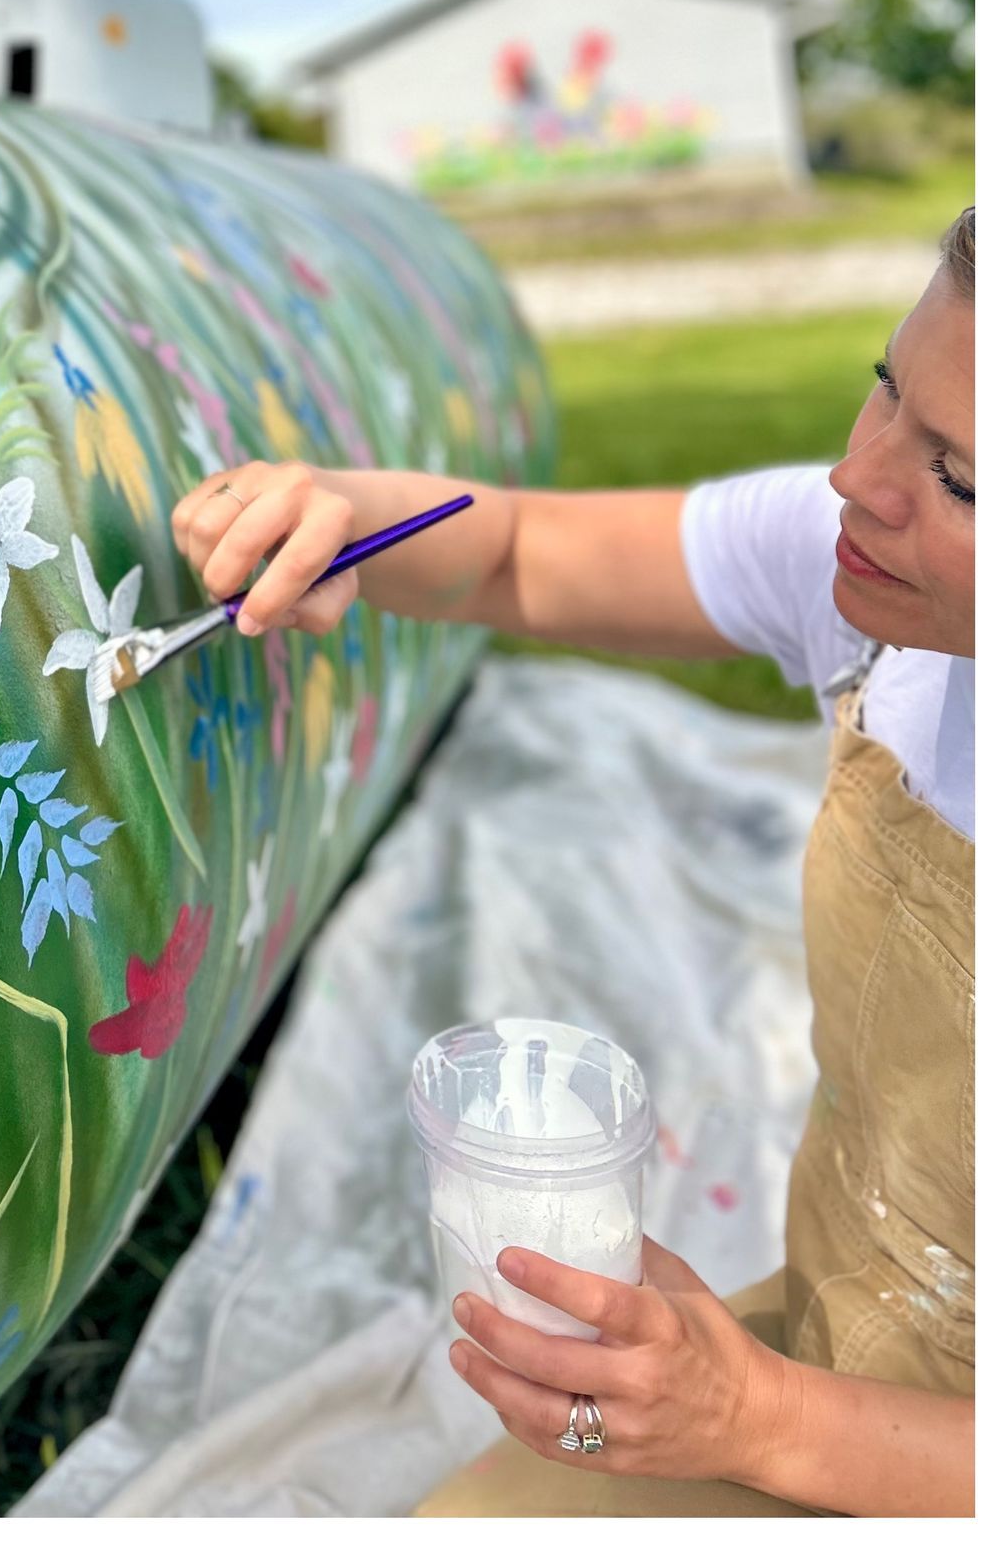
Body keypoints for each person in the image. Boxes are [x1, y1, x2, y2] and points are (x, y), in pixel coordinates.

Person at [169, 206, 974, 1518]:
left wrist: (750, 1415)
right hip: (828, 1348)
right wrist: (339, 517)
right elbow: (520, 550)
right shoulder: (877, 587)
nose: (859, 478)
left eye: (958, 479)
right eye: (883, 392)